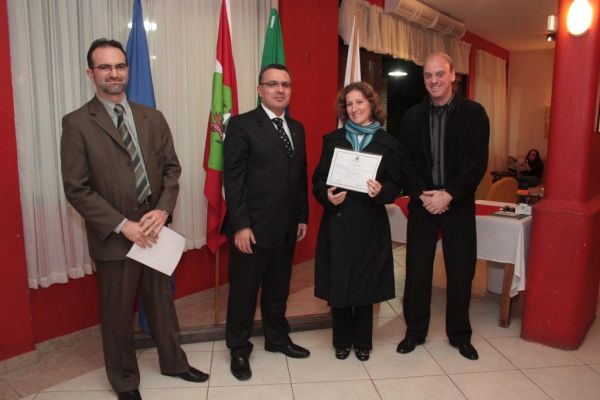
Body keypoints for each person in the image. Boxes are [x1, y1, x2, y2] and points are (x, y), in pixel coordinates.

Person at [60, 39, 208, 400]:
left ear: (128, 69)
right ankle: (125, 380)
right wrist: (122, 225)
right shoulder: (77, 123)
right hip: (115, 237)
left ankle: (174, 363)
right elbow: (76, 188)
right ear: (90, 73)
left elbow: (172, 170)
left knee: (162, 303)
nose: (114, 73)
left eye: (120, 66)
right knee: (116, 314)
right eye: (105, 67)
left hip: (155, 231)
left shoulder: (152, 118)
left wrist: (163, 210)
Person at [395, 52, 489, 361]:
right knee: (417, 271)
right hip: (423, 204)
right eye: (428, 75)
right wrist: (421, 194)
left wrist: (449, 195)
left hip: (457, 204)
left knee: (461, 272)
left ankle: (460, 335)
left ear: (452, 76)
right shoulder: (412, 116)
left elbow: (477, 163)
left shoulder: (474, 113)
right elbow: (405, 162)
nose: (433, 80)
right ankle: (414, 331)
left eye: (439, 74)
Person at [222, 64, 310, 381]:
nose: (280, 89)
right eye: (272, 84)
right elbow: (233, 179)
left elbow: (299, 175)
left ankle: (277, 338)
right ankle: (238, 348)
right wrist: (240, 225)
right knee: (244, 293)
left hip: (286, 227)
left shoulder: (296, 128)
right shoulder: (241, 125)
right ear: (260, 90)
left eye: (285, 84)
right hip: (252, 229)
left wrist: (302, 216)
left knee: (278, 288)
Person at [312, 82, 403, 361]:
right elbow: (318, 180)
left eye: (359, 102)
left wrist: (382, 191)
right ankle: (341, 341)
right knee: (339, 282)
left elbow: (396, 185)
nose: (354, 109)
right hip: (338, 222)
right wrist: (326, 195)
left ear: (371, 104)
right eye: (349, 104)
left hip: (370, 223)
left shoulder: (388, 143)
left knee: (366, 283)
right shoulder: (333, 140)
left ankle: (363, 342)